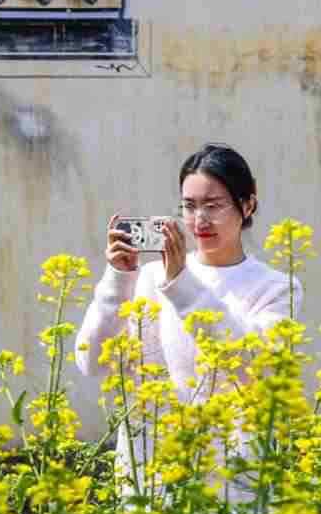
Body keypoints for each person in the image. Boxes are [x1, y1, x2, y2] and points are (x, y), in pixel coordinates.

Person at [74, 145, 296, 492]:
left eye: (214, 205)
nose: (199, 220)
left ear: (248, 205)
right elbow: (90, 361)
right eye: (189, 206)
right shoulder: (148, 277)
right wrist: (118, 278)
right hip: (148, 484)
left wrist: (181, 284)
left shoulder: (277, 288)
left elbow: (259, 370)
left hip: (229, 491)